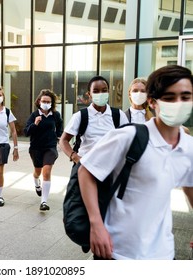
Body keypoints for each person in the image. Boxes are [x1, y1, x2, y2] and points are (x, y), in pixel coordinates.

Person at [78, 64, 193, 260]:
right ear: (152, 102)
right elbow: (86, 171)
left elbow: (189, 185)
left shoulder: (189, 147)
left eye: (185, 96)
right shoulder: (128, 136)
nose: (178, 103)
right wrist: (96, 224)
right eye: (169, 98)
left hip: (163, 253)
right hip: (117, 251)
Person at [59, 75, 128, 165]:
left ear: (108, 92)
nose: (100, 94)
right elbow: (63, 140)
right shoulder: (80, 116)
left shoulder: (118, 115)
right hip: (85, 165)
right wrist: (75, 158)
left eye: (104, 90)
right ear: (89, 94)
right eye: (95, 91)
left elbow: (128, 139)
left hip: (110, 167)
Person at [24, 89, 63, 211]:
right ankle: (36, 182)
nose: (46, 103)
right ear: (39, 101)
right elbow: (26, 132)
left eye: (48, 101)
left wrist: (58, 137)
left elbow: (60, 127)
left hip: (50, 147)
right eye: (44, 101)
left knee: (46, 171)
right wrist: (35, 124)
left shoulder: (55, 115)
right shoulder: (34, 115)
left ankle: (44, 202)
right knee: (38, 171)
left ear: (51, 103)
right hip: (36, 148)